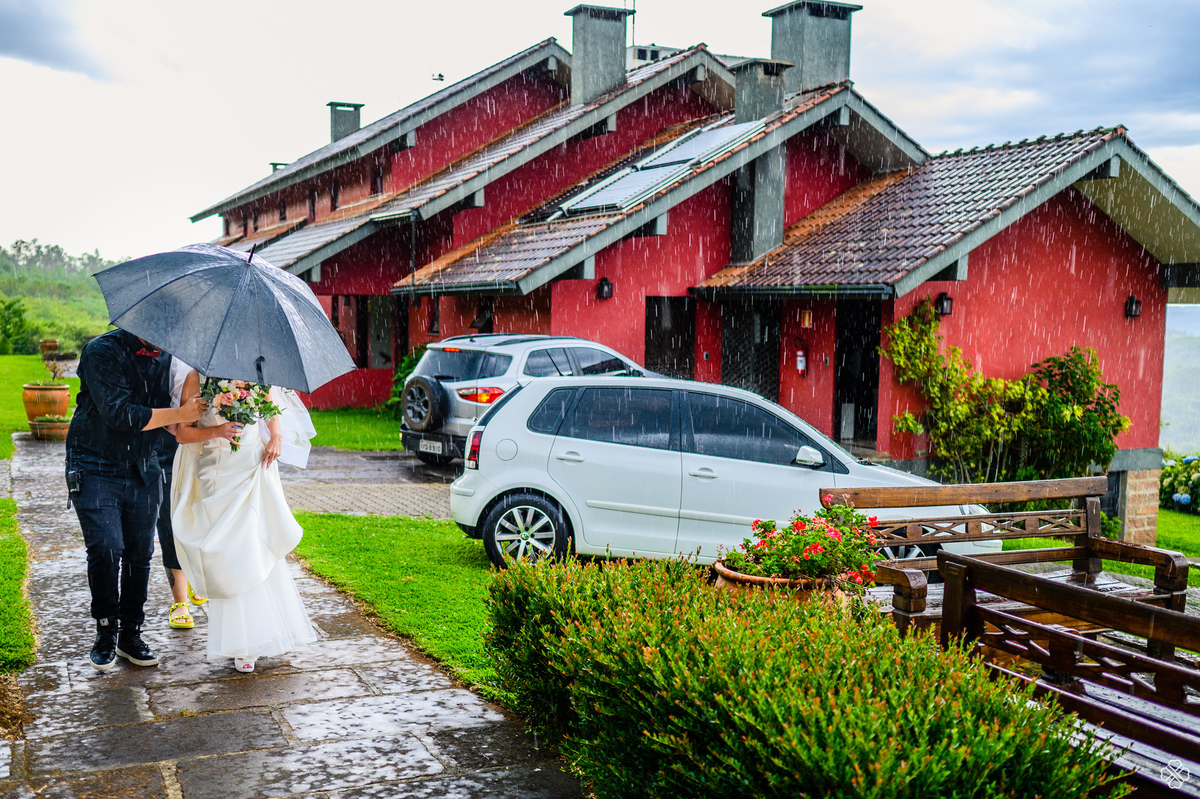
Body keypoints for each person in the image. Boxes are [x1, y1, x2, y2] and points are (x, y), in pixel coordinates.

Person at [66, 329, 207, 672]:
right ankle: (105, 630)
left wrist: (207, 422)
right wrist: (178, 414)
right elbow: (121, 414)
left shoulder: (169, 358)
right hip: (94, 462)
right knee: (106, 547)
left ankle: (131, 633)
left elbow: (171, 420)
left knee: (139, 553)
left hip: (145, 465)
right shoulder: (101, 351)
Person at [170, 370, 318, 673]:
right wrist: (217, 431)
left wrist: (275, 435)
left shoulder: (257, 374)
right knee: (228, 554)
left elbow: (269, 412)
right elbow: (183, 432)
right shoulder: (196, 379)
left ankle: (259, 636)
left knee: (255, 545)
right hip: (216, 471)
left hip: (252, 464)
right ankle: (240, 640)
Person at [157, 357, 207, 630]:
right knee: (170, 517)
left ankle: (199, 574)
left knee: (204, 513)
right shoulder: (163, 345)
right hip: (167, 442)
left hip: (209, 444)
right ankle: (180, 600)